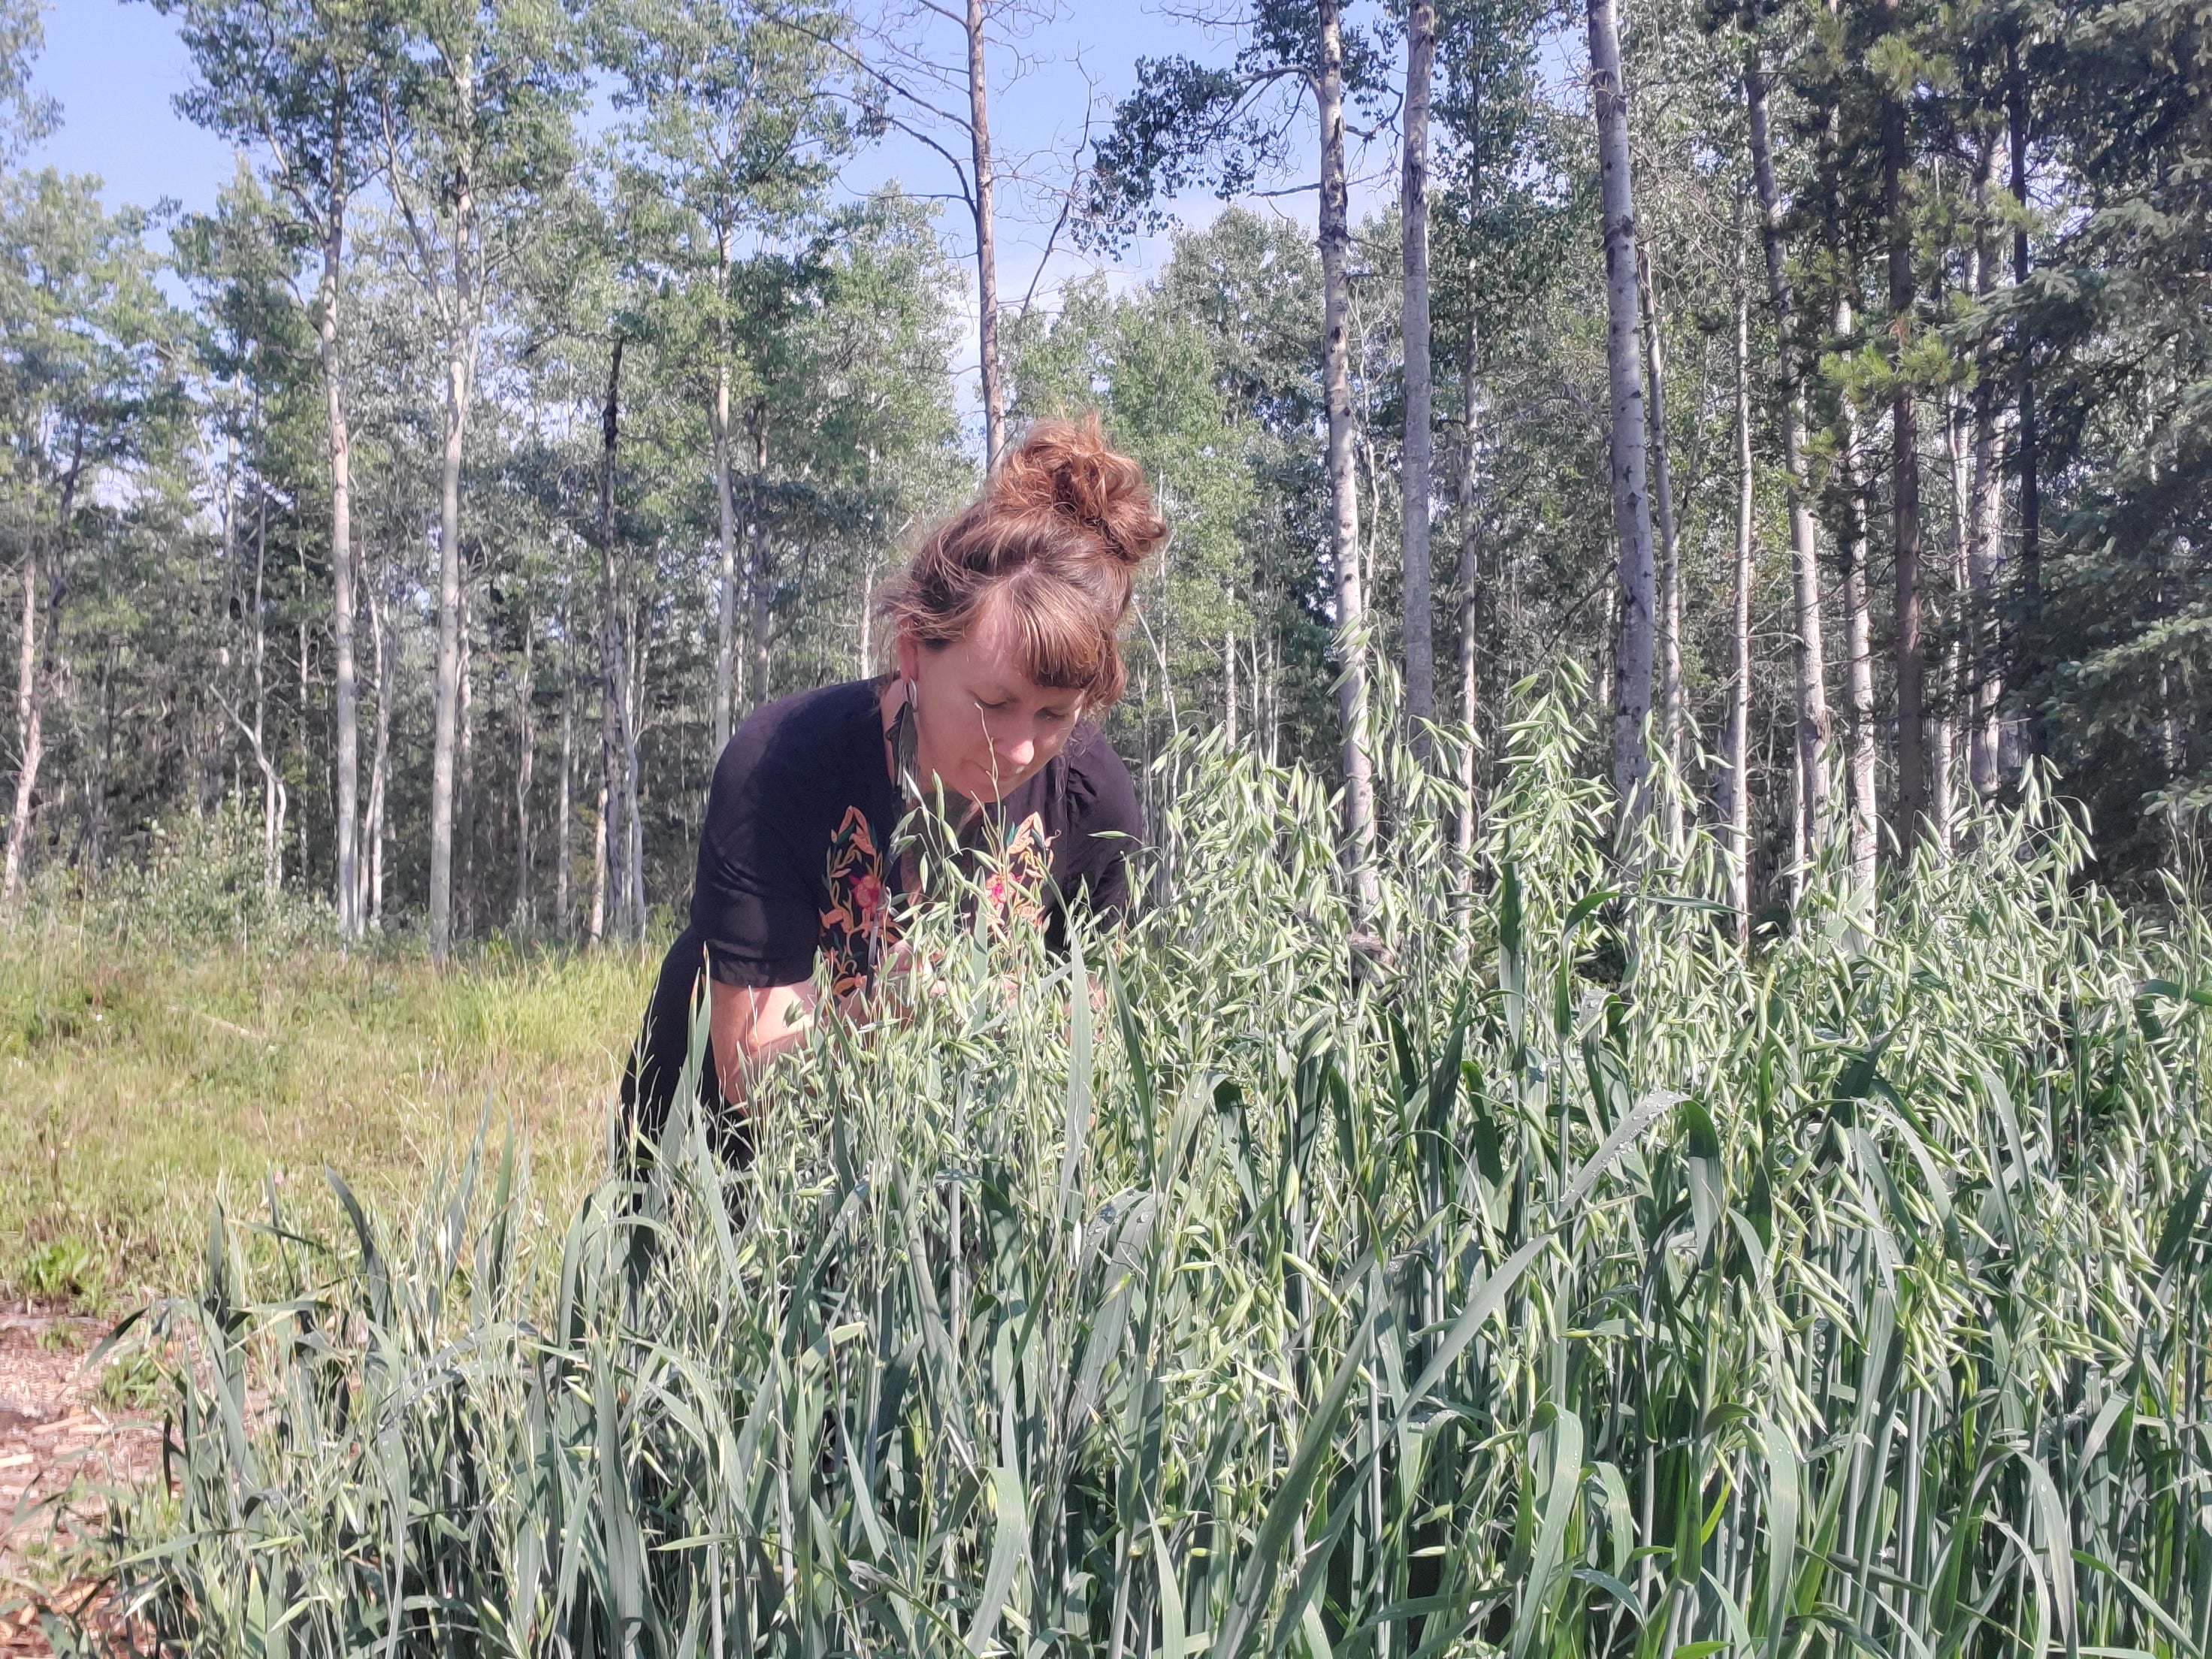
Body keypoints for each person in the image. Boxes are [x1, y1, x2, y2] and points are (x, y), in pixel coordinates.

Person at [622, 415, 1167, 1152]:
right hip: (721, 1169)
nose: (1017, 748)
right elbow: (748, 1076)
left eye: (1055, 714)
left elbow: (1090, 1056)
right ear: (913, 652)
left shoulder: (1092, 804)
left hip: (942, 1182)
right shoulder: (781, 769)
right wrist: (886, 1013)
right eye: (993, 704)